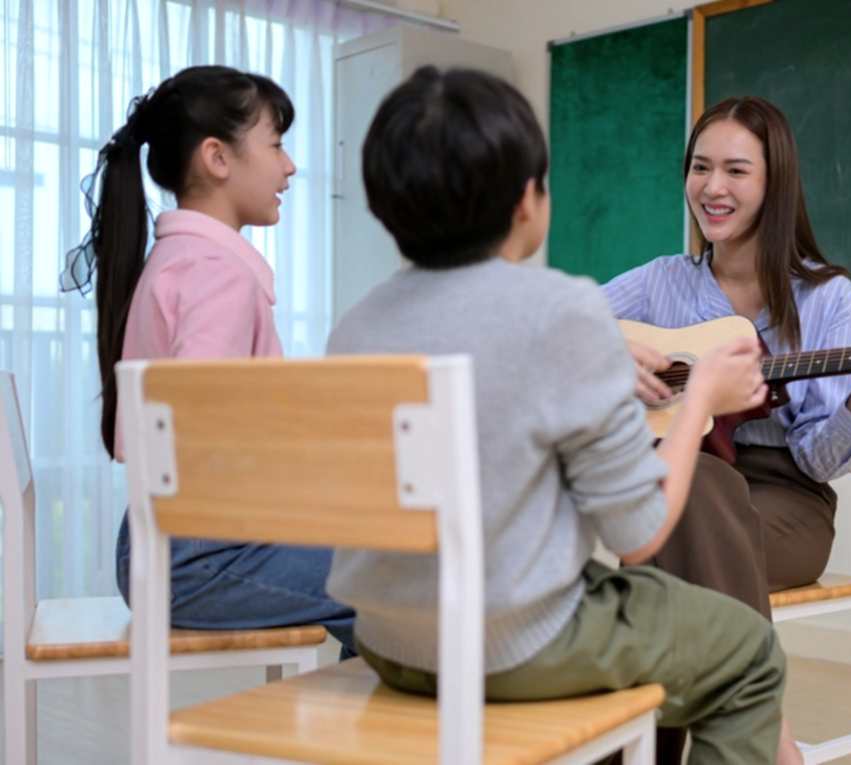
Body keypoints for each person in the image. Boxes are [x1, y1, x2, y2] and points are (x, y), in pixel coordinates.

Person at [325, 66, 792, 763]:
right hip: (515, 642)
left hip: (390, 639)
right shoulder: (561, 310)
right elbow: (638, 535)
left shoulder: (355, 327)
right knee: (751, 653)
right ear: (527, 202)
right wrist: (700, 400)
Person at [603, 95, 851, 761]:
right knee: (686, 494)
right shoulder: (661, 283)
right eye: (700, 168)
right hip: (690, 493)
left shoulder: (827, 297)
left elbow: (819, 462)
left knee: (666, 530)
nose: (712, 187)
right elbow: (554, 325)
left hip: (786, 504)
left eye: (735, 170)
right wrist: (613, 352)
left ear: (773, 182)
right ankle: (767, 741)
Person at [62, 65, 356, 655]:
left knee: (382, 575)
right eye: (276, 145)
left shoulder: (179, 262)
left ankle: (375, 732)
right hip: (198, 558)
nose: (290, 166)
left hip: (173, 548)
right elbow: (203, 432)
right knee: (396, 581)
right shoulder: (215, 274)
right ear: (217, 158)